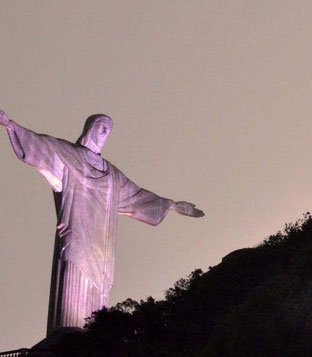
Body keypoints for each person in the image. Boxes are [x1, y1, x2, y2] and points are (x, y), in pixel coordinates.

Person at [0, 111, 205, 333]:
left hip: (101, 248)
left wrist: (172, 205)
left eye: (109, 129)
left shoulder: (112, 175)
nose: (105, 132)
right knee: (72, 276)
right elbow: (41, 145)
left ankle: (94, 338)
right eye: (102, 126)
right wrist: (10, 125)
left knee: (98, 296)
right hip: (76, 234)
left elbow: (137, 196)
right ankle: (65, 338)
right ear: (90, 128)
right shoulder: (69, 154)